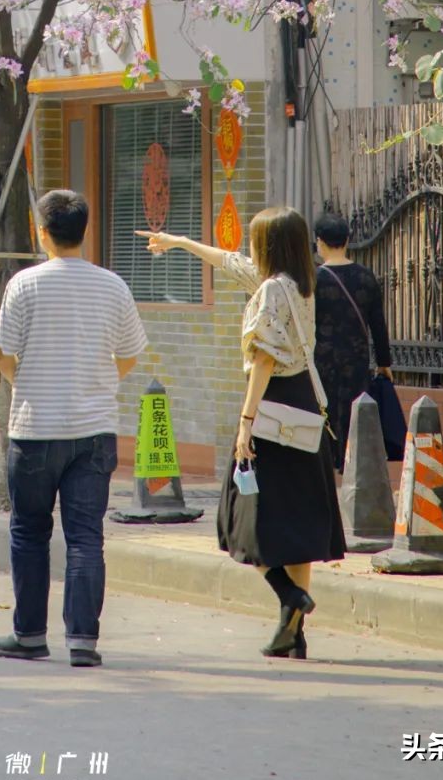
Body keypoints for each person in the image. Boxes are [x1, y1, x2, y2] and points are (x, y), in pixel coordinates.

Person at [140, 209, 344, 660]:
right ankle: (292, 631)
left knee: (239, 514)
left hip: (271, 408)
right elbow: (227, 261)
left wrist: (245, 423)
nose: (247, 249)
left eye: (254, 241)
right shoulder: (296, 283)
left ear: (267, 245)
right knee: (298, 522)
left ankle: (287, 596)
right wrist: (179, 242)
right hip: (304, 409)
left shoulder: (271, 289)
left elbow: (265, 361)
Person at [0, 188, 148, 668]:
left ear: (42, 233)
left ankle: (30, 635)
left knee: (29, 533)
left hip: (35, 428)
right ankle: (83, 641)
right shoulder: (112, 286)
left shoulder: (24, 284)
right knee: (85, 537)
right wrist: (97, 383)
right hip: (93, 431)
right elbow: (131, 352)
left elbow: (0, 352)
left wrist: (28, 382)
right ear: (85, 231)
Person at [313, 210, 393, 471]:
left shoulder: (313, 280)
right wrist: (384, 362)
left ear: (319, 242)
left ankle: (328, 463)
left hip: (321, 360)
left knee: (324, 411)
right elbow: (378, 324)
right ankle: (352, 463)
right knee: (354, 411)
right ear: (347, 240)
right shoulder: (365, 276)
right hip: (356, 359)